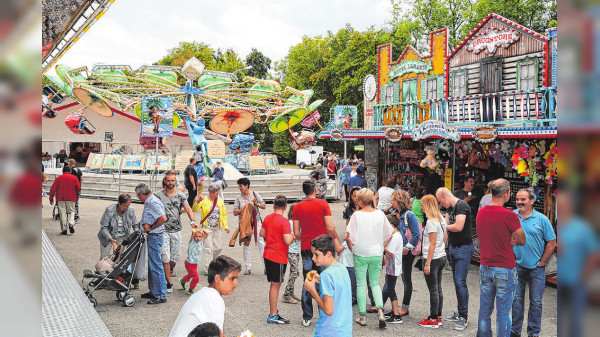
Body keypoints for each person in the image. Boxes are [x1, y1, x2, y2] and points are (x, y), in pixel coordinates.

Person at [476, 179, 526, 337]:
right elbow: (522, 240)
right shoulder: (509, 215)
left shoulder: (481, 212)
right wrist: (512, 237)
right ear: (506, 194)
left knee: (485, 310)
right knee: (503, 313)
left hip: (485, 265)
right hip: (504, 267)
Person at [511, 188, 557, 337]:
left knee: (536, 302)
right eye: (517, 199)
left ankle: (533, 333)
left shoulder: (542, 219)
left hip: (536, 268)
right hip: (517, 266)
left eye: (523, 199)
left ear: (532, 201)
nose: (519, 202)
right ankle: (515, 332)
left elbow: (551, 242)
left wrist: (542, 262)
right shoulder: (511, 216)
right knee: (516, 300)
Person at [346, 188, 394, 329]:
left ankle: (362, 316)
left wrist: (351, 247)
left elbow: (348, 235)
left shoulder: (357, 215)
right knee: (375, 283)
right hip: (376, 252)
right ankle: (380, 311)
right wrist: (382, 245)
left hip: (360, 252)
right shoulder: (380, 214)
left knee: (361, 284)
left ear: (360, 201)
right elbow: (390, 233)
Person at [293, 180, 338, 327]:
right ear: (315, 190)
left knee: (308, 278)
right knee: (324, 278)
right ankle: (325, 311)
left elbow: (296, 232)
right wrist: (333, 239)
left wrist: (305, 237)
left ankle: (307, 315)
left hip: (307, 247)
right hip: (323, 247)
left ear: (304, 190)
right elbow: (330, 227)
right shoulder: (323, 204)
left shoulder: (297, 207)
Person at [557, 190, 598, 337]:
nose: (560, 207)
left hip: (577, 282)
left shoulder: (582, 227)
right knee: (560, 320)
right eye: (558, 204)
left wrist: (585, 275)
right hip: (559, 281)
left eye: (563, 204)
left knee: (575, 320)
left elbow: (594, 253)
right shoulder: (558, 226)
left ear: (570, 206)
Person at [169, 255, 241, 337]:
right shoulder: (213, 299)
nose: (236, 283)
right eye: (232, 278)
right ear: (217, 278)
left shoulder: (203, 293)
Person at [436, 186, 475, 330]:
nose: (441, 205)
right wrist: (442, 246)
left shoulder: (461, 206)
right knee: (457, 282)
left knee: (460, 282)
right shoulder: (450, 208)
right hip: (454, 247)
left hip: (463, 248)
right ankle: (460, 312)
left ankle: (463, 317)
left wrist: (445, 225)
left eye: (441, 201)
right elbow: (447, 228)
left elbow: (458, 227)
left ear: (445, 197)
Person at [156, 171, 199, 293]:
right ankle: (168, 282)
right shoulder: (158, 195)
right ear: (165, 181)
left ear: (176, 181)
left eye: (172, 181)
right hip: (162, 230)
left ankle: (168, 268)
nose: (170, 183)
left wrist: (193, 221)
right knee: (165, 256)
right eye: (168, 181)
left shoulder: (180, 195)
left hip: (176, 230)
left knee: (175, 256)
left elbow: (188, 208)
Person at [304, 235, 353, 337]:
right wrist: (321, 279)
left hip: (328, 330)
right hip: (344, 330)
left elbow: (328, 310)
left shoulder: (326, 275)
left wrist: (312, 290)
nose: (313, 258)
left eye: (316, 255)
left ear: (329, 255)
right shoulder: (342, 268)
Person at [260, 195, 294, 324]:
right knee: (275, 285)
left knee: (274, 284)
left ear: (273, 205)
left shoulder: (268, 217)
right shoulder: (284, 221)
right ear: (285, 208)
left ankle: (273, 313)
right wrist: (293, 237)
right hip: (278, 256)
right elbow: (287, 240)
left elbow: (262, 234)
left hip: (268, 253)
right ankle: (273, 314)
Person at [418, 195, 448, 328]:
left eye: (423, 204)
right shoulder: (441, 219)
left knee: (433, 290)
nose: (421, 207)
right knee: (438, 288)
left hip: (433, 258)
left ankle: (434, 318)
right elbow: (445, 237)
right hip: (442, 256)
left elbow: (432, 243)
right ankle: (437, 315)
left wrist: (428, 262)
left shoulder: (431, 222)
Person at [136, 183, 169, 304]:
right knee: (152, 265)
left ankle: (161, 294)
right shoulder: (150, 201)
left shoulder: (153, 202)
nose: (138, 198)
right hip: (152, 237)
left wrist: (152, 227)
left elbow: (163, 218)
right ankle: (154, 291)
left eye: (138, 195)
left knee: (156, 265)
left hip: (155, 237)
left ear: (141, 194)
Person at [390, 189, 420, 318]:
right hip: (396, 251)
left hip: (406, 252)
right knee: (394, 278)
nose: (391, 202)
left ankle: (405, 307)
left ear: (398, 201)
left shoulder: (409, 215)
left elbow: (416, 234)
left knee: (406, 278)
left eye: (393, 199)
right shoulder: (394, 213)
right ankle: (394, 306)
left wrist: (407, 248)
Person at [232, 177, 266, 275]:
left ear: (246, 186)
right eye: (239, 186)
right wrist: (244, 210)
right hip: (244, 223)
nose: (239, 188)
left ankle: (266, 267)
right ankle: (248, 267)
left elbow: (264, 206)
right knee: (246, 244)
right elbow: (234, 212)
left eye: (241, 186)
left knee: (261, 243)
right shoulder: (238, 197)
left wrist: (257, 204)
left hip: (256, 221)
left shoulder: (255, 194)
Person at [197, 183, 229, 275]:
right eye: (216, 192)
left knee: (218, 247)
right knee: (208, 248)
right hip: (207, 228)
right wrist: (198, 200)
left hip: (218, 227)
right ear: (211, 192)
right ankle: (208, 269)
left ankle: (212, 262)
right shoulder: (204, 200)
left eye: (218, 191)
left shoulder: (220, 201)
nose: (218, 193)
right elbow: (195, 209)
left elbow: (224, 215)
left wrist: (226, 226)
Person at [98, 193, 138, 260]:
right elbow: (104, 227)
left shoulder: (131, 210)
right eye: (124, 205)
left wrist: (137, 233)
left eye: (128, 206)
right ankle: (102, 270)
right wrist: (112, 241)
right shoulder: (109, 209)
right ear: (119, 203)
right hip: (108, 236)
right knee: (104, 258)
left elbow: (135, 225)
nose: (126, 208)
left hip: (123, 237)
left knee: (120, 258)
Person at [381, 223, 404, 324]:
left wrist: (384, 247)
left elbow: (391, 253)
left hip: (393, 267)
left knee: (391, 289)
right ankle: (393, 312)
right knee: (389, 288)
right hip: (392, 267)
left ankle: (396, 315)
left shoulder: (395, 237)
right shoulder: (396, 236)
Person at [49, 166, 80, 235]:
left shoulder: (58, 178)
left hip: (61, 198)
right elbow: (78, 188)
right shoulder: (74, 178)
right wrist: (75, 193)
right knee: (71, 211)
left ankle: (64, 229)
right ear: (70, 171)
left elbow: (53, 189)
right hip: (71, 198)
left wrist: (51, 198)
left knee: (62, 213)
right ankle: (71, 223)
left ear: (63, 171)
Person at [282, 204, 301, 304]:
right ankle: (286, 294)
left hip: (297, 249)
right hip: (291, 249)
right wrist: (299, 237)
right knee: (295, 271)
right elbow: (290, 236)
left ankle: (291, 291)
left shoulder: (298, 222)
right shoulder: (290, 223)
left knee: (295, 271)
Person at [179, 228, 205, 295]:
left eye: (200, 236)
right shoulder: (192, 242)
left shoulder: (201, 241)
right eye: (196, 236)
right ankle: (191, 289)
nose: (198, 238)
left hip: (195, 263)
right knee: (196, 278)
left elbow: (207, 233)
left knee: (190, 275)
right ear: (193, 237)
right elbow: (193, 232)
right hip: (189, 263)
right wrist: (195, 229)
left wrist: (200, 229)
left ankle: (183, 281)